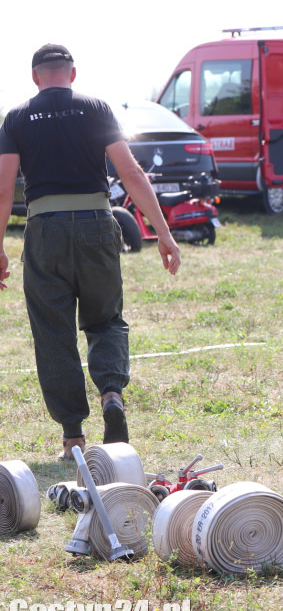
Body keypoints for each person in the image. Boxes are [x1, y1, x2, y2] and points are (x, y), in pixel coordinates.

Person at [0, 44, 182, 460]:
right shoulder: (96, 108)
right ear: (72, 74)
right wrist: (164, 234)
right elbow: (131, 172)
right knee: (106, 320)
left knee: (53, 332)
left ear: (35, 78)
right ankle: (112, 394)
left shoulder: (17, 118)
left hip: (44, 229)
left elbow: (4, 188)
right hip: (99, 224)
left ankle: (73, 437)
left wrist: (0, 249)